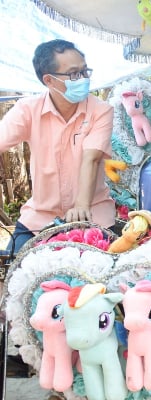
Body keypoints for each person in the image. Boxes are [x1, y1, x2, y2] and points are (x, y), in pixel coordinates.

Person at [0, 39, 115, 255]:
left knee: (99, 278)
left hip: (92, 214)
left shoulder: (101, 110)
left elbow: (91, 158)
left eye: (84, 71)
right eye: (73, 74)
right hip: (40, 218)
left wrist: (81, 206)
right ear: (49, 80)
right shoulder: (27, 110)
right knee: (13, 274)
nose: (82, 79)